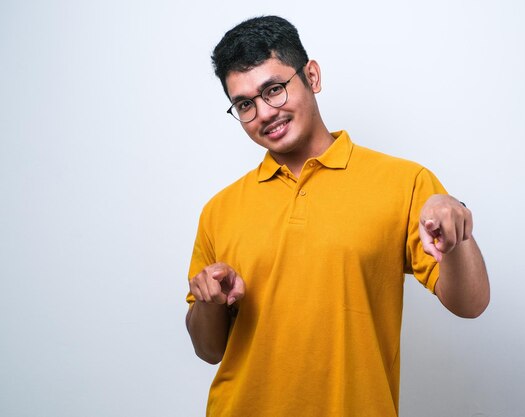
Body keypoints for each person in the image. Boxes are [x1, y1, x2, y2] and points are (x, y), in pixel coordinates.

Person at [185, 15, 489, 417]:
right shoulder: (219, 210)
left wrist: (456, 232)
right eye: (245, 104)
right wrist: (208, 302)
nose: (264, 113)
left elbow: (471, 304)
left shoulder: (405, 181)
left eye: (274, 89)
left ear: (311, 76)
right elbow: (209, 351)